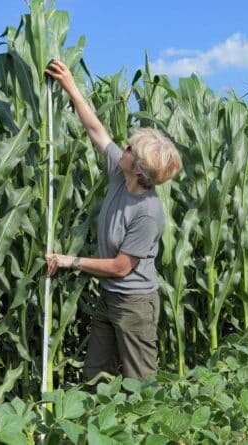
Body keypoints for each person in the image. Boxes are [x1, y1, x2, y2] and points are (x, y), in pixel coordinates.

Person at [44, 60, 182, 382]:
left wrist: (71, 261)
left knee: (140, 382)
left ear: (140, 169)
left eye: (131, 149)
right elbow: (96, 130)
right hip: (109, 298)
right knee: (96, 376)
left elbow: (121, 267)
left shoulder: (148, 210)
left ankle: (150, 431)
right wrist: (70, 85)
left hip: (134, 304)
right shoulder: (120, 175)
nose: (124, 147)